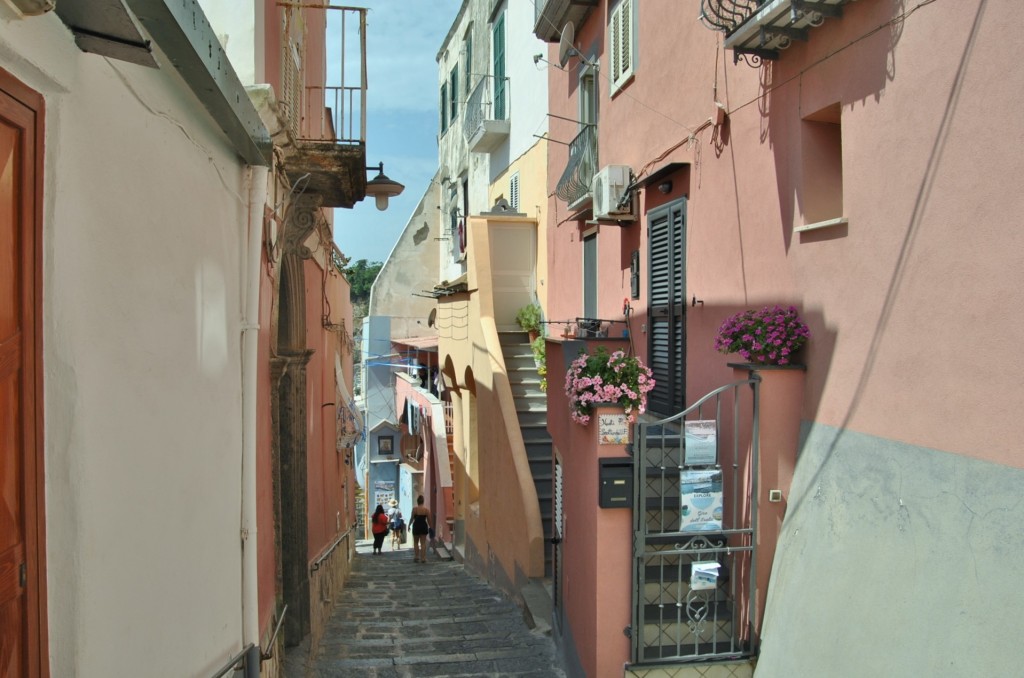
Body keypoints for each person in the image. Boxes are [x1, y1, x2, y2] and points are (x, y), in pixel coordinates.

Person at [409, 494, 432, 564]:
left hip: (416, 526)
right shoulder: (426, 510)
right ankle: (423, 558)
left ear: (417, 502)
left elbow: (412, 518)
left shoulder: (414, 509)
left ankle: (416, 557)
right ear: (423, 501)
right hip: (423, 526)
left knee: (416, 542)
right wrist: (431, 527)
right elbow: (429, 520)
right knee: (423, 543)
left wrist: (409, 525)